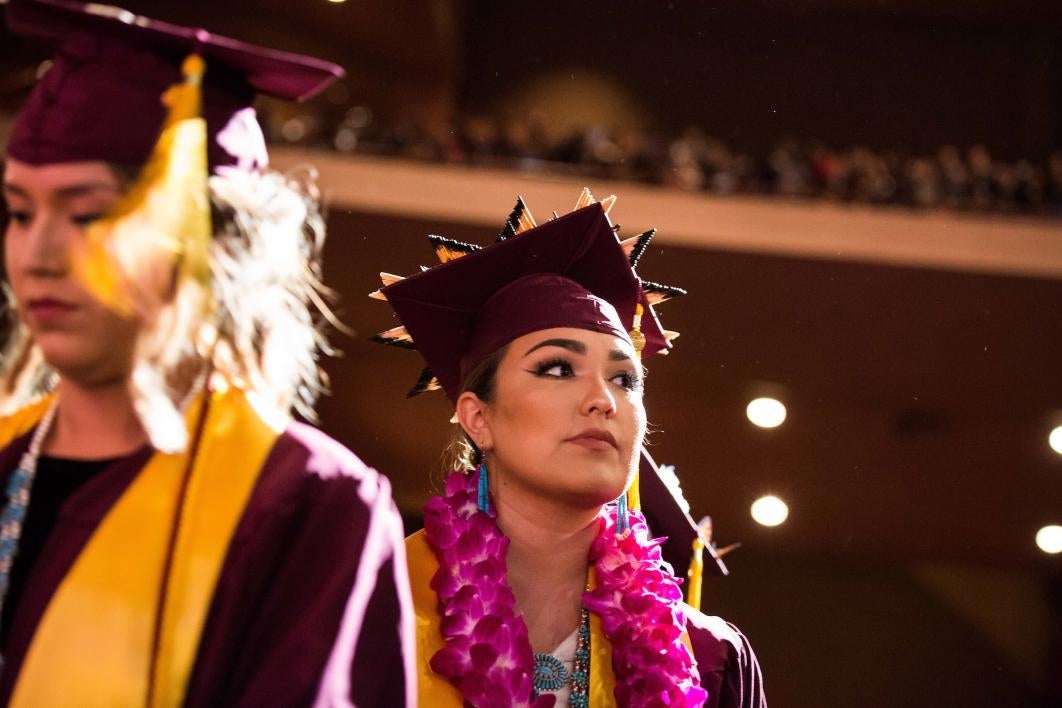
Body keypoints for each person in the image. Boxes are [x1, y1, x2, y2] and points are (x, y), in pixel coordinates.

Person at [0, 0, 414, 705]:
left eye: (89, 213)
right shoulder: (9, 457)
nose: (37, 255)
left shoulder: (304, 504)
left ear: (211, 244)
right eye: (18, 212)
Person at [374, 189, 766, 706]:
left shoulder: (708, 659)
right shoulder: (375, 615)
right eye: (558, 368)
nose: (603, 399)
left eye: (625, 380)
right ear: (478, 417)